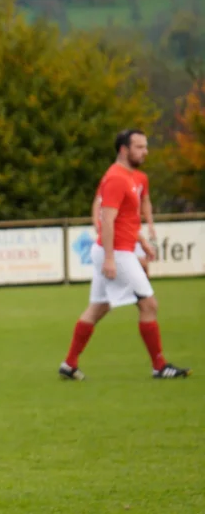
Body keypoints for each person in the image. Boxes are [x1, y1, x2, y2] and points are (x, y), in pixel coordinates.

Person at [60, 130, 191, 380]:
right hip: (117, 253)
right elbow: (107, 220)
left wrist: (141, 240)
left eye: (145, 146)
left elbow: (124, 220)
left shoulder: (130, 177)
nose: (145, 152)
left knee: (98, 308)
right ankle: (159, 366)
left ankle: (69, 364)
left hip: (116, 249)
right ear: (124, 150)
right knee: (149, 305)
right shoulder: (116, 178)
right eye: (139, 147)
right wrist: (110, 258)